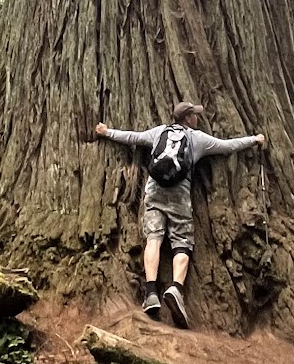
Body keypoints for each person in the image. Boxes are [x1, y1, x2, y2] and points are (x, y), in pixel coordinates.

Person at [94, 101, 266, 327]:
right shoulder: (197, 139)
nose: (197, 118)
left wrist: (107, 132)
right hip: (179, 196)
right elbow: (227, 146)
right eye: (194, 115)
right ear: (188, 119)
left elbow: (133, 137)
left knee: (153, 239)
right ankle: (176, 288)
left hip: (155, 191)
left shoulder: (159, 132)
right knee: (182, 242)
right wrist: (254, 139)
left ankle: (151, 292)